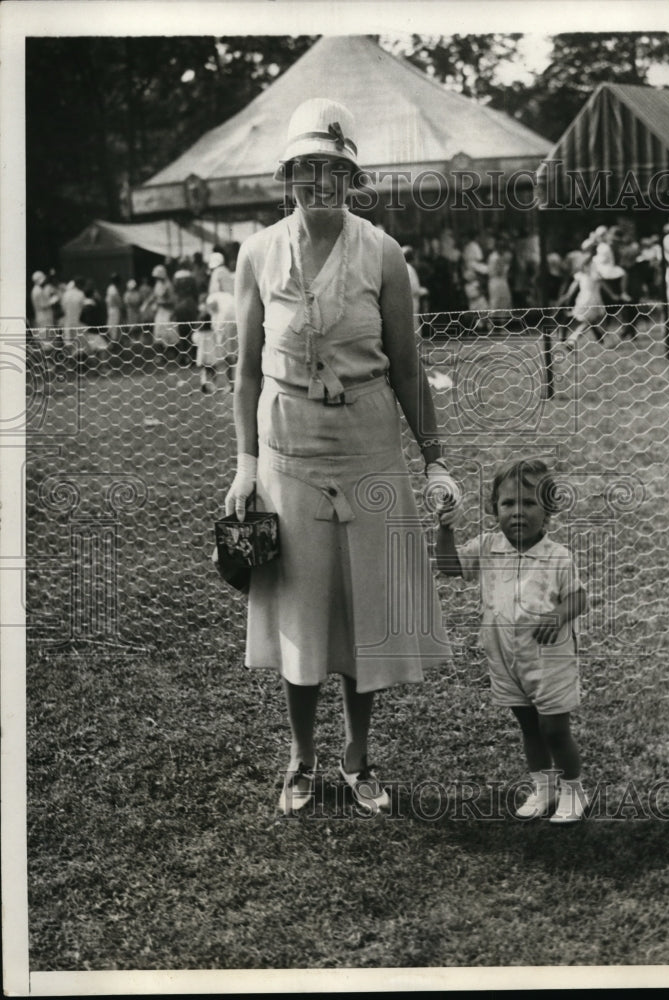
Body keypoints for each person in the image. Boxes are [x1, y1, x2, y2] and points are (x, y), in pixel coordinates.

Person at [227, 97, 460, 816]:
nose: (321, 183)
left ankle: (359, 756)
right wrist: (243, 464)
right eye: (308, 169)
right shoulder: (258, 253)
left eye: (335, 169)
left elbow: (410, 368)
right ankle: (301, 759)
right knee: (300, 606)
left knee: (366, 608)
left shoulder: (383, 252)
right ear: (287, 174)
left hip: (366, 443)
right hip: (286, 444)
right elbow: (244, 371)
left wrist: (435, 460)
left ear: (352, 177)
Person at [435, 458, 588, 823]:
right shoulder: (488, 547)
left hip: (548, 659)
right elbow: (450, 567)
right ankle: (544, 787)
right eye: (508, 503)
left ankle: (574, 790)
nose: (518, 512)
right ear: (494, 508)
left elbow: (578, 597)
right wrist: (444, 530)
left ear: (549, 509)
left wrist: (558, 615)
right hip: (504, 658)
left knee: (553, 727)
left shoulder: (557, 558)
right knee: (527, 725)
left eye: (529, 503)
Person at [60, 277, 86, 346]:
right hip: (77, 322)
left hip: (67, 322)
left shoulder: (66, 294)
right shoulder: (81, 294)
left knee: (68, 342)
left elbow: (63, 308)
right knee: (78, 343)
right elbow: (83, 308)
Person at [105, 273, 124, 343]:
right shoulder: (112, 289)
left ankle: (115, 340)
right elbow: (116, 300)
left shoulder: (113, 288)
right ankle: (113, 340)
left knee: (115, 325)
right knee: (113, 325)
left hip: (114, 309)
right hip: (113, 309)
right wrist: (121, 305)